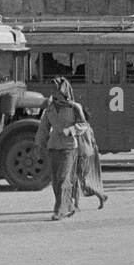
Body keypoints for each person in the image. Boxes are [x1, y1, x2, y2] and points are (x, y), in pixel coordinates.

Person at [34, 78, 91, 220]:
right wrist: (38, 145)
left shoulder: (75, 107)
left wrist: (71, 130)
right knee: (55, 180)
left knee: (63, 178)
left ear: (63, 90)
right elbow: (43, 128)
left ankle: (60, 209)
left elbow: (84, 125)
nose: (52, 91)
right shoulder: (50, 108)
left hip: (69, 148)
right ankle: (68, 205)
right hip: (53, 147)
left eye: (55, 88)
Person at [72, 115, 109, 209]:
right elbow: (93, 142)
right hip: (88, 154)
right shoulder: (88, 127)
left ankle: (100, 195)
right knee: (80, 180)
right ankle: (99, 196)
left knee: (78, 180)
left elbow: (68, 135)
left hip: (79, 154)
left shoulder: (77, 127)